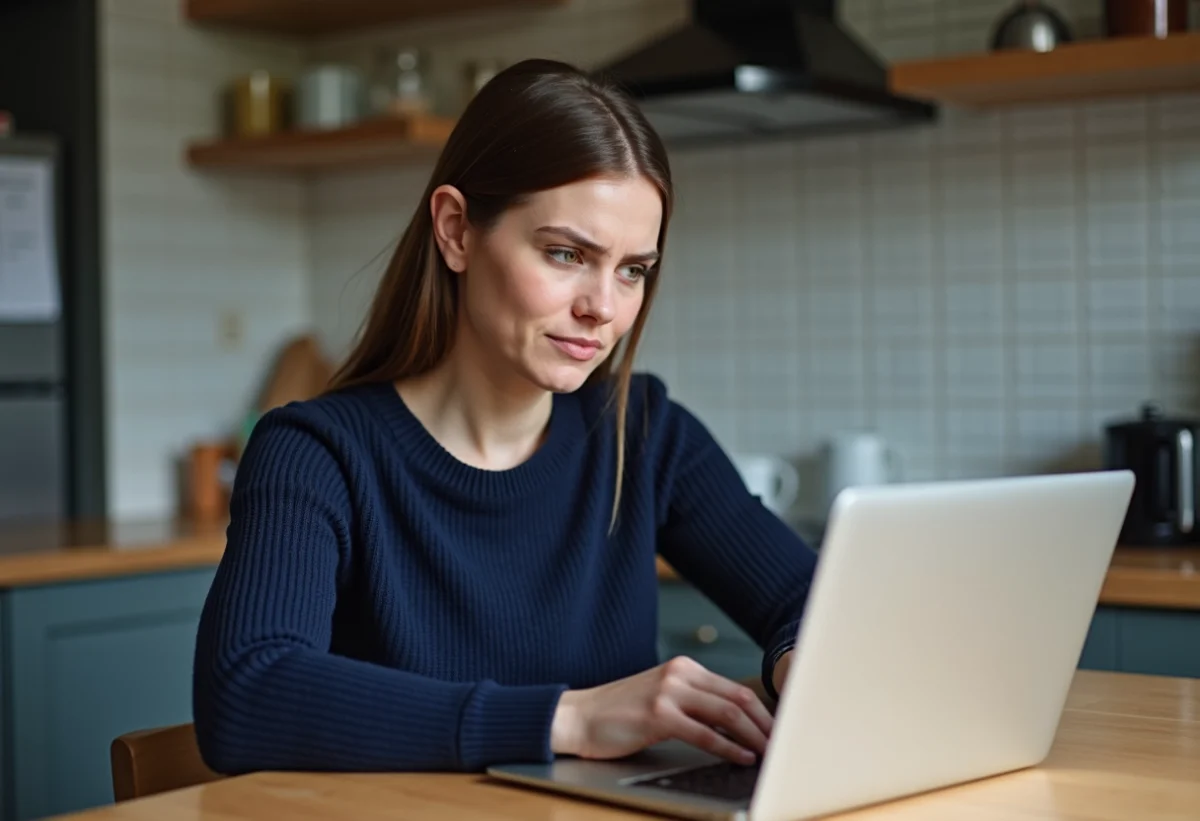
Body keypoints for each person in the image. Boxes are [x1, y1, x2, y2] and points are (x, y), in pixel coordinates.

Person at [192, 57, 818, 777]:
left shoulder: (642, 431)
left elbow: (807, 599)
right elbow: (248, 693)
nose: (603, 307)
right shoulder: (317, 453)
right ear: (456, 230)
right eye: (565, 253)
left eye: (632, 269)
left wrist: (805, 657)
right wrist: (571, 717)